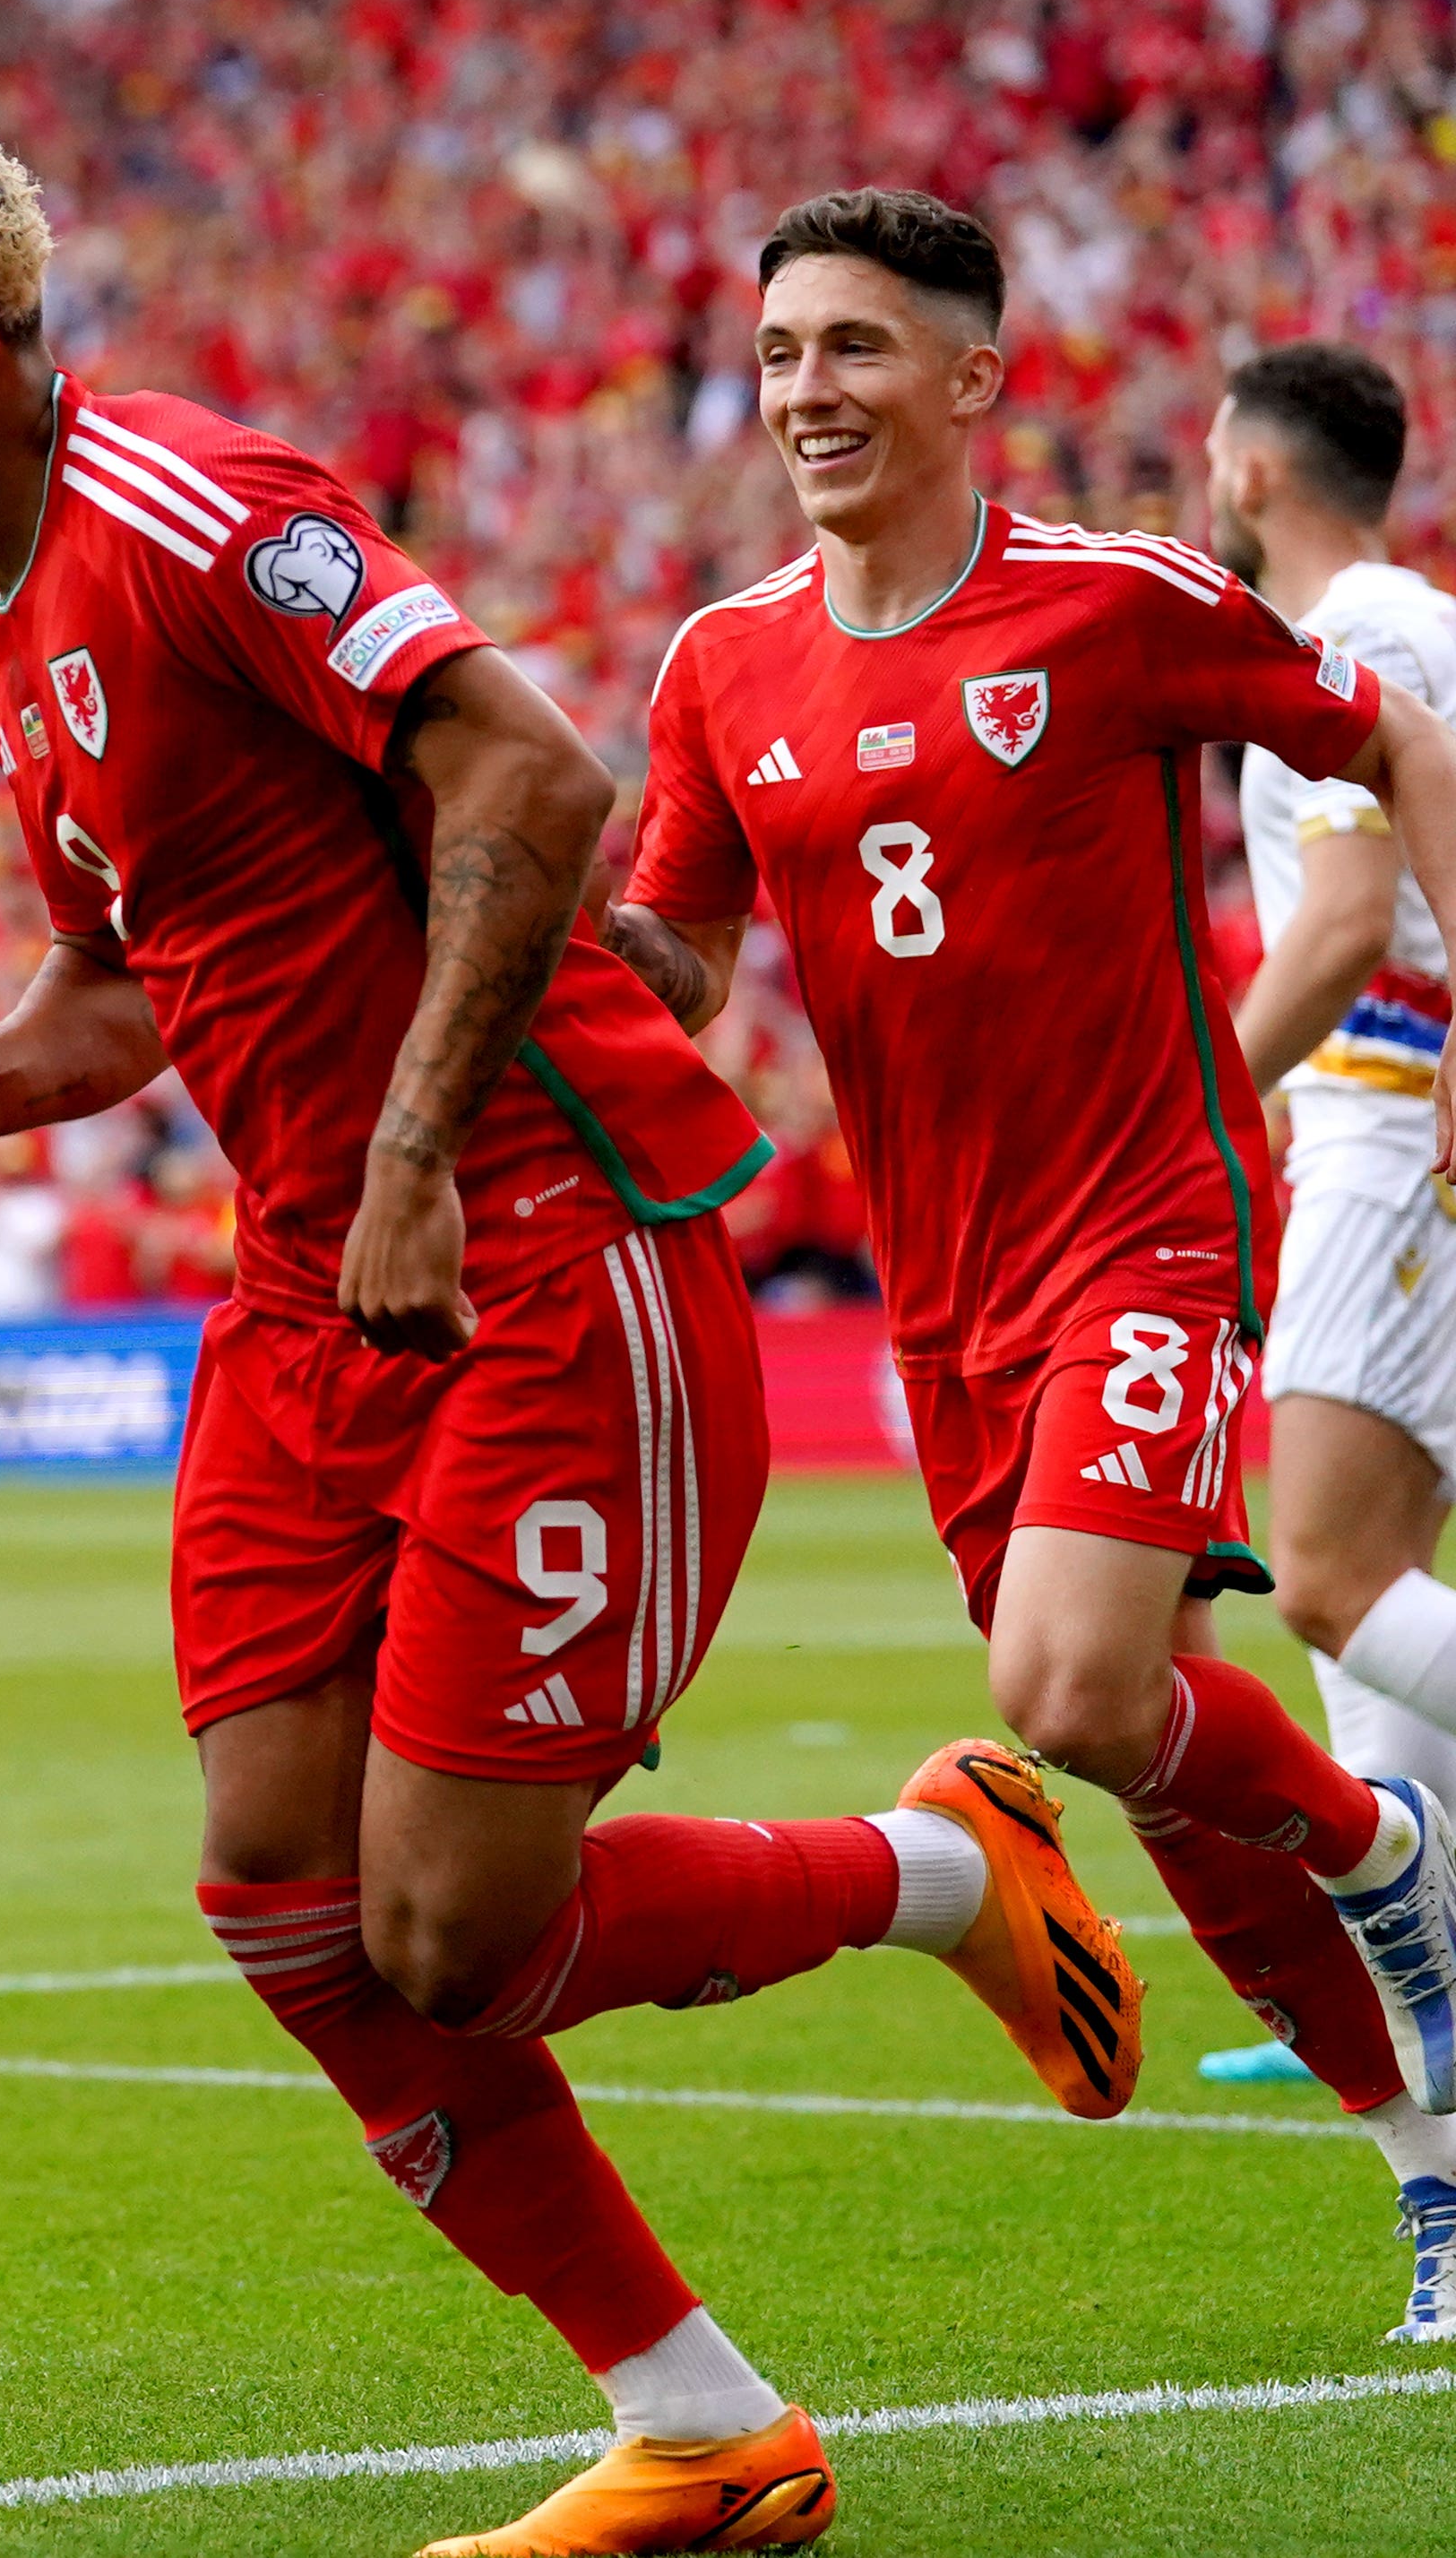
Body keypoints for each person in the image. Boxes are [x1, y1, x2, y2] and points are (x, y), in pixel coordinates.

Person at [0, 99, 1131, 2558]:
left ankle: (938, 1866)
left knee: (459, 1935)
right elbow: (125, 974)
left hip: (535, 1253)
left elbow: (531, 759)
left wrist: (403, 1151)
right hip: (310, 1291)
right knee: (283, 1894)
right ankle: (706, 2426)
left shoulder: (194, 514)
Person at [611, 194, 1456, 2335]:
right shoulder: (719, 665)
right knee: (1128, 1731)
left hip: (1142, 1231)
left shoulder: (1114, 605)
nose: (806, 386)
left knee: (1065, 1690)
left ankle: (1385, 1849)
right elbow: (673, 962)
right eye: (782, 346)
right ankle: (1428, 2162)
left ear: (970, 381)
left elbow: (1395, 744)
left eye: (857, 348)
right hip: (936, 1292)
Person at [1199, 340, 1456, 2290]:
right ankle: (1426, 1982)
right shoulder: (1415, 615)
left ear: (1240, 463)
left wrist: (1194, 1091)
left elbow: (1344, 922)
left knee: (1325, 1579)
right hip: (1387, 1108)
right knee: (1368, 1599)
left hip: (1386, 1101)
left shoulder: (1334, 638)